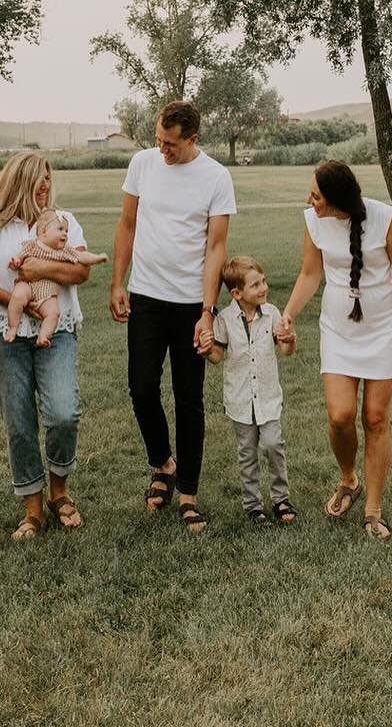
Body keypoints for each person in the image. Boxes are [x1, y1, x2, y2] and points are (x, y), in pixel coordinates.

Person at [110, 98, 236, 535]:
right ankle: (162, 462)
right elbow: (127, 224)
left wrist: (207, 311)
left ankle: (188, 494)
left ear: (192, 139)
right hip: (146, 296)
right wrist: (116, 283)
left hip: (189, 305)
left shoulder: (216, 177)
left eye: (170, 144)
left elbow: (216, 247)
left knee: (189, 397)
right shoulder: (142, 164)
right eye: (158, 140)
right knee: (141, 388)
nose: (162, 150)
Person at [279, 160, 392, 541]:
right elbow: (311, 273)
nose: (310, 201)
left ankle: (373, 510)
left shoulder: (384, 218)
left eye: (316, 196)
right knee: (340, 415)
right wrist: (289, 314)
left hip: (384, 325)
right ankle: (348, 479)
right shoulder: (314, 222)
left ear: (337, 199)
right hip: (339, 327)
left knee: (375, 417)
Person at [0, 152, 95, 539]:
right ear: (18, 181)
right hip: (3, 333)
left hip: (57, 331)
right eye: (37, 178)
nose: (44, 184)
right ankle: (32, 508)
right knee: (19, 422)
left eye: (47, 177)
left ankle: (60, 490)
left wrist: (40, 270)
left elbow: (81, 269)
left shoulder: (63, 222)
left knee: (63, 412)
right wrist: (16, 301)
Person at [207, 254, 298, 525]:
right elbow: (217, 356)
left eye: (264, 281)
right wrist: (205, 347)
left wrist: (290, 339)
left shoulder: (271, 314)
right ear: (237, 293)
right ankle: (253, 505)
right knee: (247, 453)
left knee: (272, 445)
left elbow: (286, 350)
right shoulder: (224, 320)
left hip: (268, 398)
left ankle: (281, 499)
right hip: (240, 400)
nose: (264, 288)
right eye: (256, 284)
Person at [4, 208, 108, 345]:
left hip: (47, 293)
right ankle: (13, 327)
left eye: (66, 230)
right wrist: (15, 262)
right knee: (17, 297)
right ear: (43, 232)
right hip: (27, 285)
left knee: (53, 313)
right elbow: (19, 256)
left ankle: (43, 336)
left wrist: (97, 258)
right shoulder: (33, 245)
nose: (64, 233)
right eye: (60, 229)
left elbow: (82, 256)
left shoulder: (65, 251)